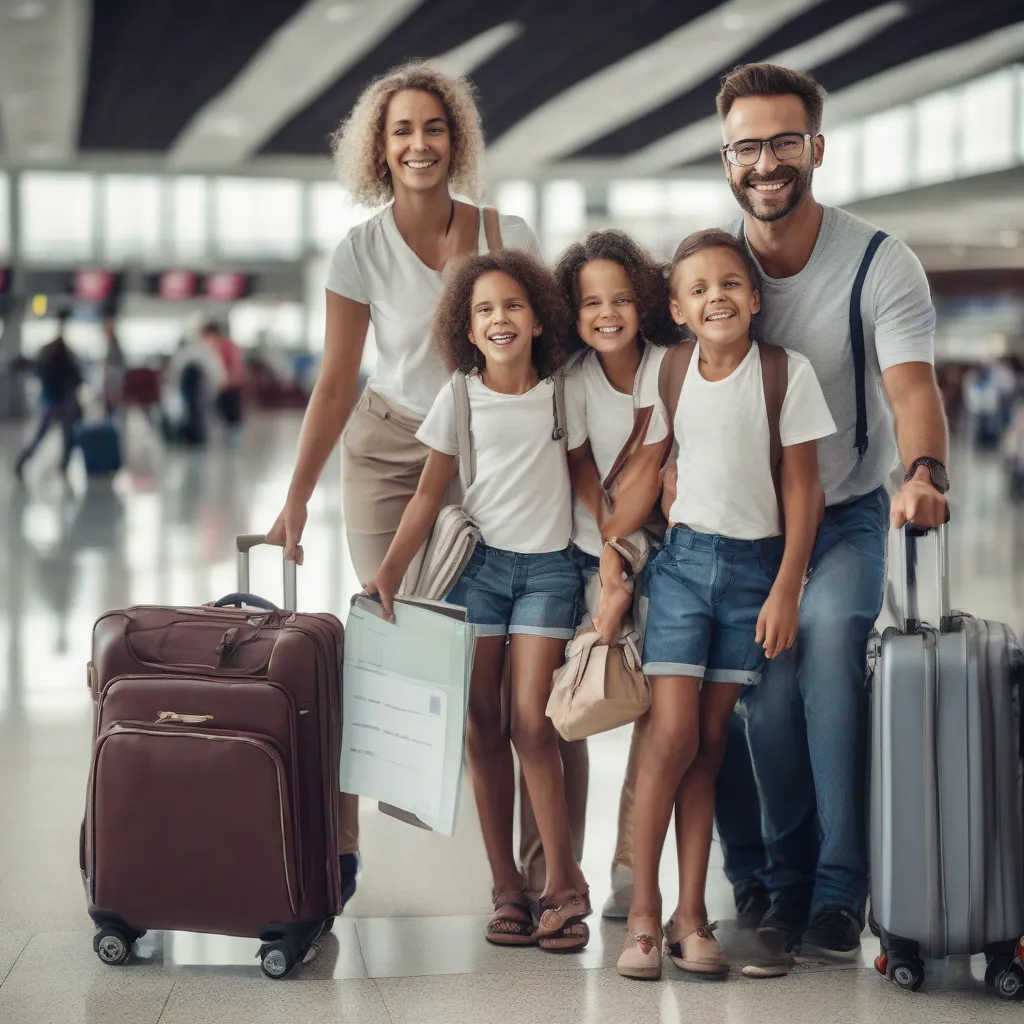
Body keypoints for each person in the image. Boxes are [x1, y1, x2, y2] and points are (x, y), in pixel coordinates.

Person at [265, 62, 561, 910]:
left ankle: (548, 876)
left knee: (520, 683)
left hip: (492, 454)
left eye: (434, 128)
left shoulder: (506, 232)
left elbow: (553, 359)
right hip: (392, 453)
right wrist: (296, 497)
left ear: (455, 139)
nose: (419, 143)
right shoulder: (359, 249)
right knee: (392, 644)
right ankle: (343, 849)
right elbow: (335, 381)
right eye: (402, 131)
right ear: (380, 149)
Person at [708, 63, 949, 964]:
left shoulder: (880, 262)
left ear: (816, 148)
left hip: (847, 509)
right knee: (763, 693)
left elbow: (912, 385)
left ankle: (842, 890)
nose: (764, 163)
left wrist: (922, 471)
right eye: (746, 147)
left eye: (781, 142)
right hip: (746, 526)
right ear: (725, 158)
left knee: (833, 638)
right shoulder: (711, 268)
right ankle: (784, 875)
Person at [616, 229, 835, 980]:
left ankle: (690, 917)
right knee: (670, 738)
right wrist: (612, 546)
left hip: (753, 576)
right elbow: (648, 464)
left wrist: (786, 587)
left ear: (755, 297)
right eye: (700, 288)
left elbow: (805, 488)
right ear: (677, 308)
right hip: (682, 569)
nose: (718, 297)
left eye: (731, 284)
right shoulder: (671, 371)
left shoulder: (786, 373)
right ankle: (644, 914)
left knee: (711, 747)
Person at [364, 248, 592, 951]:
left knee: (533, 723)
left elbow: (585, 479)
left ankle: (563, 885)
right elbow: (429, 493)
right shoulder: (458, 396)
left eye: (513, 306)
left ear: (538, 318)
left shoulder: (562, 392)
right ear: (467, 328)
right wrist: (391, 574)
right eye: (485, 309)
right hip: (481, 572)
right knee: (480, 725)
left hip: (550, 573)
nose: (500, 319)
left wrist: (614, 549)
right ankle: (506, 888)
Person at [552, 230, 677, 920]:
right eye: (591, 301)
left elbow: (651, 479)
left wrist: (618, 557)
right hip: (582, 555)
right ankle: (557, 871)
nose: (607, 313)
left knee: (655, 709)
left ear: (645, 301)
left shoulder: (671, 369)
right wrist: (603, 557)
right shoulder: (571, 378)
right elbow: (579, 472)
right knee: (569, 703)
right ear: (571, 311)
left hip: (657, 558)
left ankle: (632, 863)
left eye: (621, 298)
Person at [14, 312, 84, 481]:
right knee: (59, 436)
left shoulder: (51, 352)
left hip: (54, 400)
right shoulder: (58, 352)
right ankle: (58, 465)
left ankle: (59, 465)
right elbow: (76, 377)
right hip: (58, 401)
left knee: (59, 436)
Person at [200, 321, 247, 432]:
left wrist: (224, 380)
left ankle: (233, 432)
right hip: (227, 383)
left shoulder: (224, 345)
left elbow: (231, 366)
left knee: (230, 410)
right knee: (225, 410)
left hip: (230, 384)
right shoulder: (224, 344)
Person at [101, 316, 126, 417]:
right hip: (112, 385)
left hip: (114, 385)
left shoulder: (115, 346)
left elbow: (117, 369)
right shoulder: (110, 345)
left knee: (115, 412)